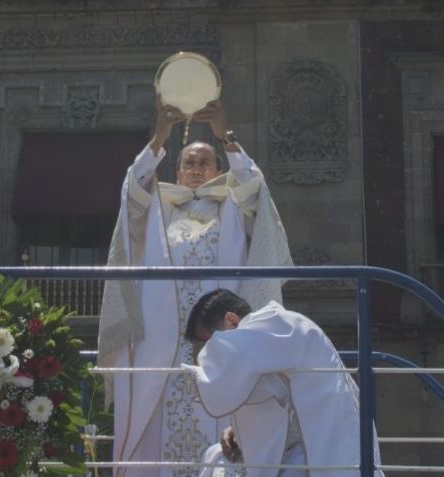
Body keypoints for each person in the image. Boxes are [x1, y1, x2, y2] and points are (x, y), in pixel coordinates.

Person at [98, 96, 292, 477]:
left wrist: (225, 135)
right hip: (162, 344)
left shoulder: (234, 207)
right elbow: (130, 191)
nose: (197, 168)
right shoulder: (157, 209)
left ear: (219, 168)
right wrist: (159, 136)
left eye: (205, 162)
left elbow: (255, 187)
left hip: (221, 339)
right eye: (189, 162)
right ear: (178, 170)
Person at [184, 289, 384, 477]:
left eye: (211, 343)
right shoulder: (267, 339)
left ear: (232, 321)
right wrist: (237, 432)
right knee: (215, 456)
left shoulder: (274, 323)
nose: (207, 354)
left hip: (322, 452)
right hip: (314, 446)